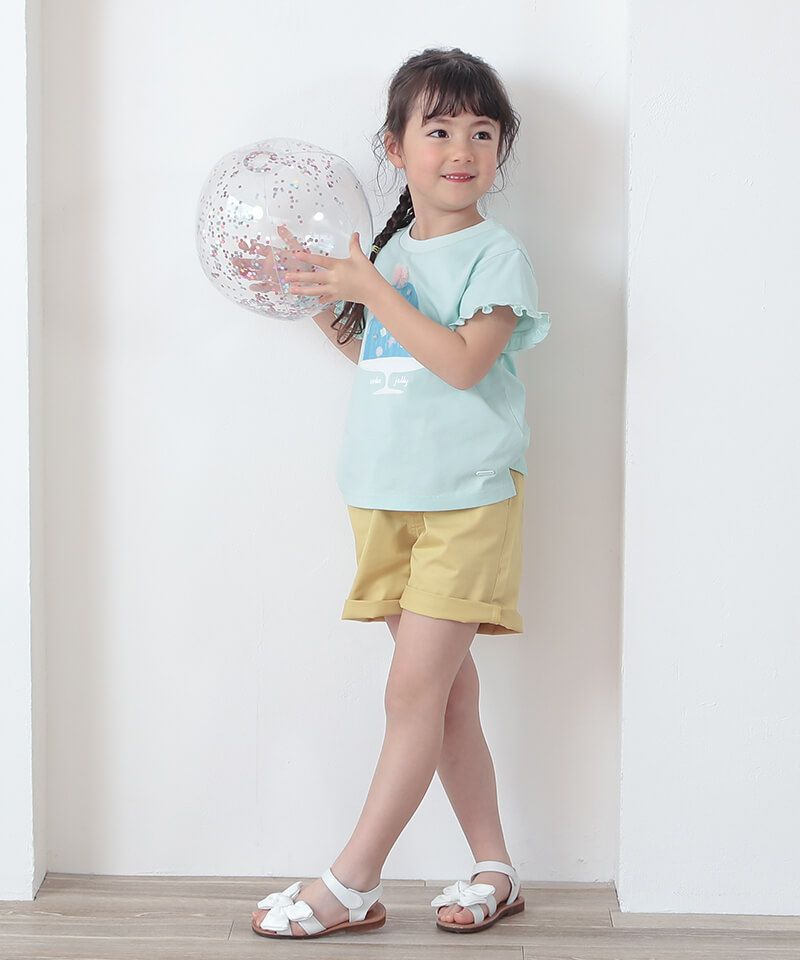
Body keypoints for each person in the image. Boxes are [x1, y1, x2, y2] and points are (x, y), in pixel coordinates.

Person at [252, 46, 551, 941]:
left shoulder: (496, 255)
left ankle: (350, 882)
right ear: (395, 146)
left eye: (482, 133)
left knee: (411, 697)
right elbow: (377, 353)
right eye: (439, 130)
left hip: (466, 500)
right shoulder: (386, 253)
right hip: (384, 497)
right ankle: (496, 868)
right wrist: (320, 298)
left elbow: (461, 365)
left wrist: (370, 287)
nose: (462, 150)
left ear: (500, 150)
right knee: (447, 697)